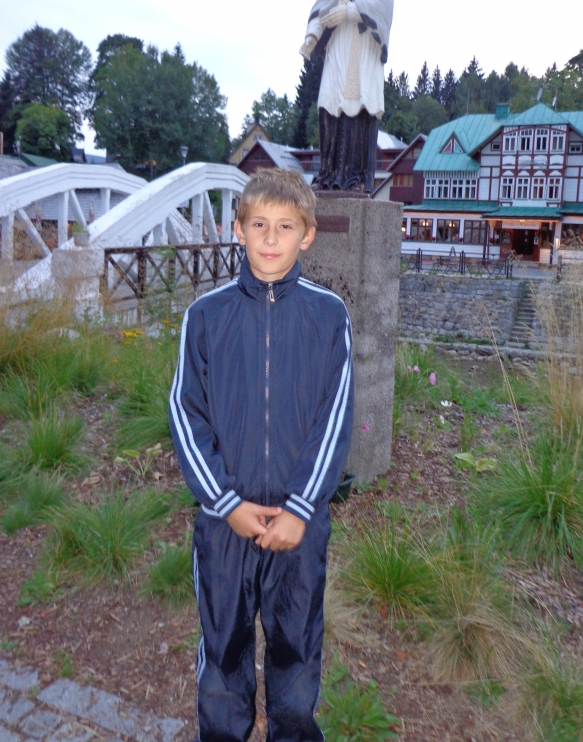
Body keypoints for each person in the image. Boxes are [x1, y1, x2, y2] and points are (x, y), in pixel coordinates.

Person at [169, 168, 354, 742]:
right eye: (258, 225)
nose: (270, 238)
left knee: (296, 650)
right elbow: (186, 412)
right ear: (238, 229)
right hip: (225, 523)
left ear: (308, 235)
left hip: (300, 527)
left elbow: (335, 415)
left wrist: (301, 507)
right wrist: (224, 501)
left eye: (285, 226)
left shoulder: (329, 315)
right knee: (223, 652)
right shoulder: (206, 316)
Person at [300, 0, 394, 194]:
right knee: (330, 105)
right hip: (338, 49)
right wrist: (313, 34)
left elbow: (383, 5)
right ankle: (329, 174)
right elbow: (320, 9)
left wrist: (351, 10)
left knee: (358, 105)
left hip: (362, 49)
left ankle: (354, 178)